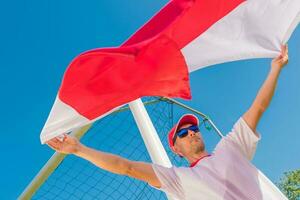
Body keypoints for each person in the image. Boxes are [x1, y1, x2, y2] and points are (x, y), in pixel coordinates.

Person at [47, 45, 289, 199]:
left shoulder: (231, 148)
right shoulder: (177, 180)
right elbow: (126, 166)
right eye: (183, 133)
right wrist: (79, 149)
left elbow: (258, 107)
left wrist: (275, 69)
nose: (192, 133)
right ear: (175, 148)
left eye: (193, 129)